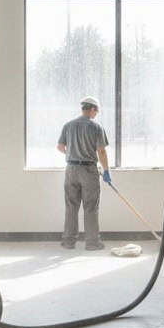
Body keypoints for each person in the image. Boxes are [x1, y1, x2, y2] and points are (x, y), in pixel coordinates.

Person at [57, 95, 112, 251]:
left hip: (71, 170)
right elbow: (101, 151)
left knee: (71, 207)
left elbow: (60, 147)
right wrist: (106, 170)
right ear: (92, 109)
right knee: (91, 207)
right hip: (88, 170)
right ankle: (92, 242)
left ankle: (68, 241)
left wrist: (73, 154)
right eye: (97, 111)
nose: (96, 114)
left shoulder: (68, 125)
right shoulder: (96, 127)